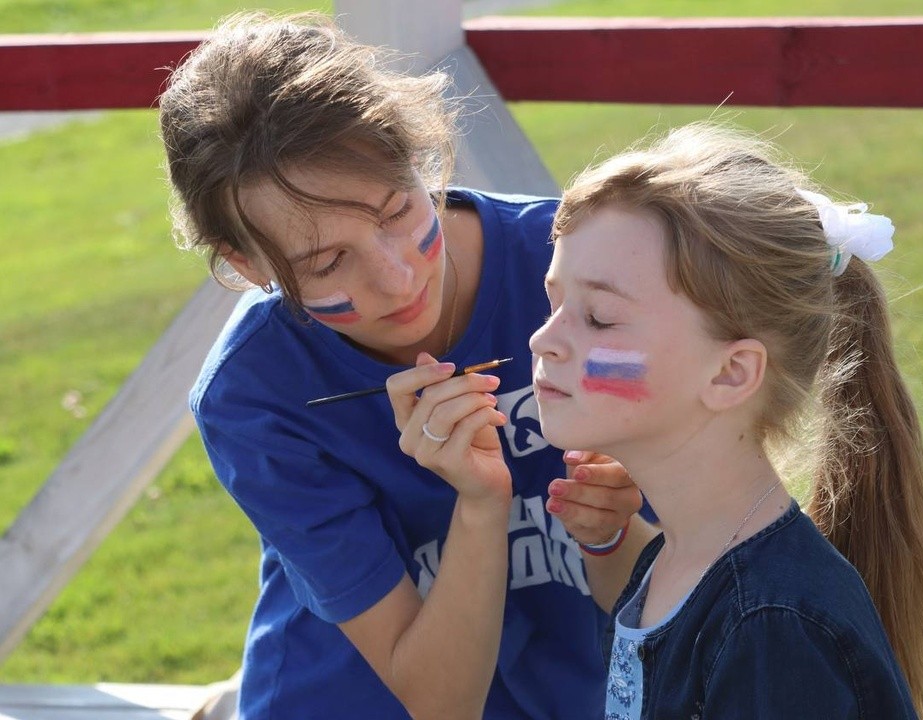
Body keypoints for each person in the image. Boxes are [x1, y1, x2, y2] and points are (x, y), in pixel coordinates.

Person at [158, 10, 640, 720]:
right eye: (326, 262)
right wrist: (479, 505)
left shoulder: (580, 270)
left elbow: (686, 585)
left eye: (393, 210)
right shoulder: (253, 393)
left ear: (417, 154)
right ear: (245, 263)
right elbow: (440, 703)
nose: (397, 279)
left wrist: (617, 526)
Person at [521, 123, 923, 718]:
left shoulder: (773, 629)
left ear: (731, 374)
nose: (544, 339)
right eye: (554, 301)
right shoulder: (675, 563)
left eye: (598, 317)